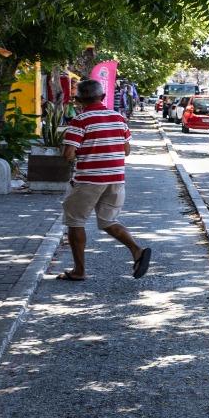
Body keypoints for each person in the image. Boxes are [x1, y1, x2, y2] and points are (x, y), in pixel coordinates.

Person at [56, 79, 151, 281]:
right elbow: (126, 150)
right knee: (108, 221)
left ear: (79, 99)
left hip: (88, 180)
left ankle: (79, 271)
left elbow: (68, 155)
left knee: (75, 222)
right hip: (116, 179)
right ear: (104, 96)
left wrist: (80, 150)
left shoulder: (80, 121)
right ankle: (137, 250)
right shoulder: (118, 118)